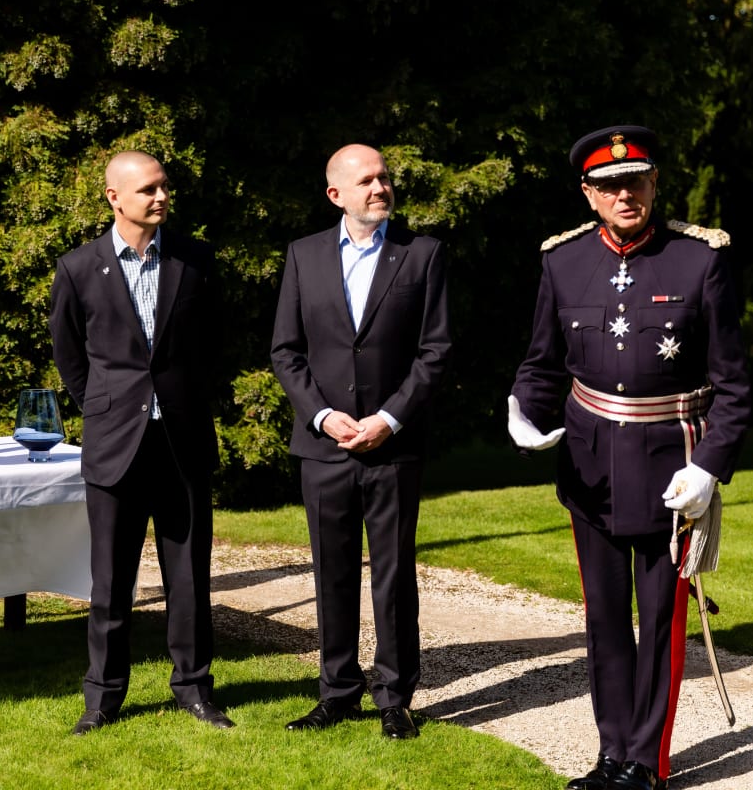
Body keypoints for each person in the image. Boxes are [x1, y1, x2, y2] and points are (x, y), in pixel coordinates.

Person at [508, 126, 750, 790]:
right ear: (589, 195)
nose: (625, 194)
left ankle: (648, 762)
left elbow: (734, 385)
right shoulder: (562, 263)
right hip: (589, 468)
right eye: (610, 185)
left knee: (663, 621)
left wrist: (709, 468)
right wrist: (521, 410)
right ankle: (611, 754)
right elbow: (542, 364)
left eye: (635, 180)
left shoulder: (700, 260)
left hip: (674, 465)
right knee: (605, 618)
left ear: (654, 184)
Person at [270, 144, 451, 740]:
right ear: (336, 195)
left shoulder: (421, 255)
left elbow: (436, 351)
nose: (379, 187)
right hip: (323, 445)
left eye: (384, 177)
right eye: (366, 180)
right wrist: (322, 415)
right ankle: (338, 691)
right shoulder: (303, 255)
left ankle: (394, 696)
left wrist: (389, 419)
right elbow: (286, 351)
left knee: (394, 573)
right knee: (333, 571)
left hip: (393, 445)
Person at [48, 150, 231, 734]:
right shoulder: (79, 268)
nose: (160, 197)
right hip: (114, 443)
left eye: (163, 187)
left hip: (182, 440)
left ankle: (195, 689)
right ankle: (102, 698)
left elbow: (215, 346)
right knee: (111, 580)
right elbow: (70, 355)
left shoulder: (195, 261)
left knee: (189, 577)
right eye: (148, 189)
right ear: (114, 197)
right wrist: (105, 407)